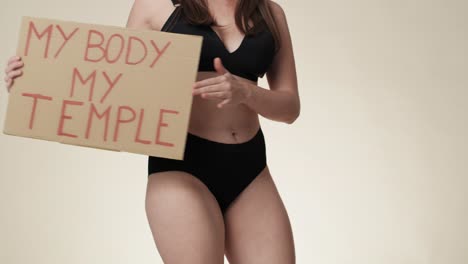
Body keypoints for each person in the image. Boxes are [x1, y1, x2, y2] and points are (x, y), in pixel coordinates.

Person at [4, 0, 300, 263]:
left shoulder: (270, 14)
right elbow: (110, 84)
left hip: (251, 170)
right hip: (183, 169)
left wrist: (246, 92)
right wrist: (35, 78)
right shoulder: (156, 7)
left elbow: (290, 107)